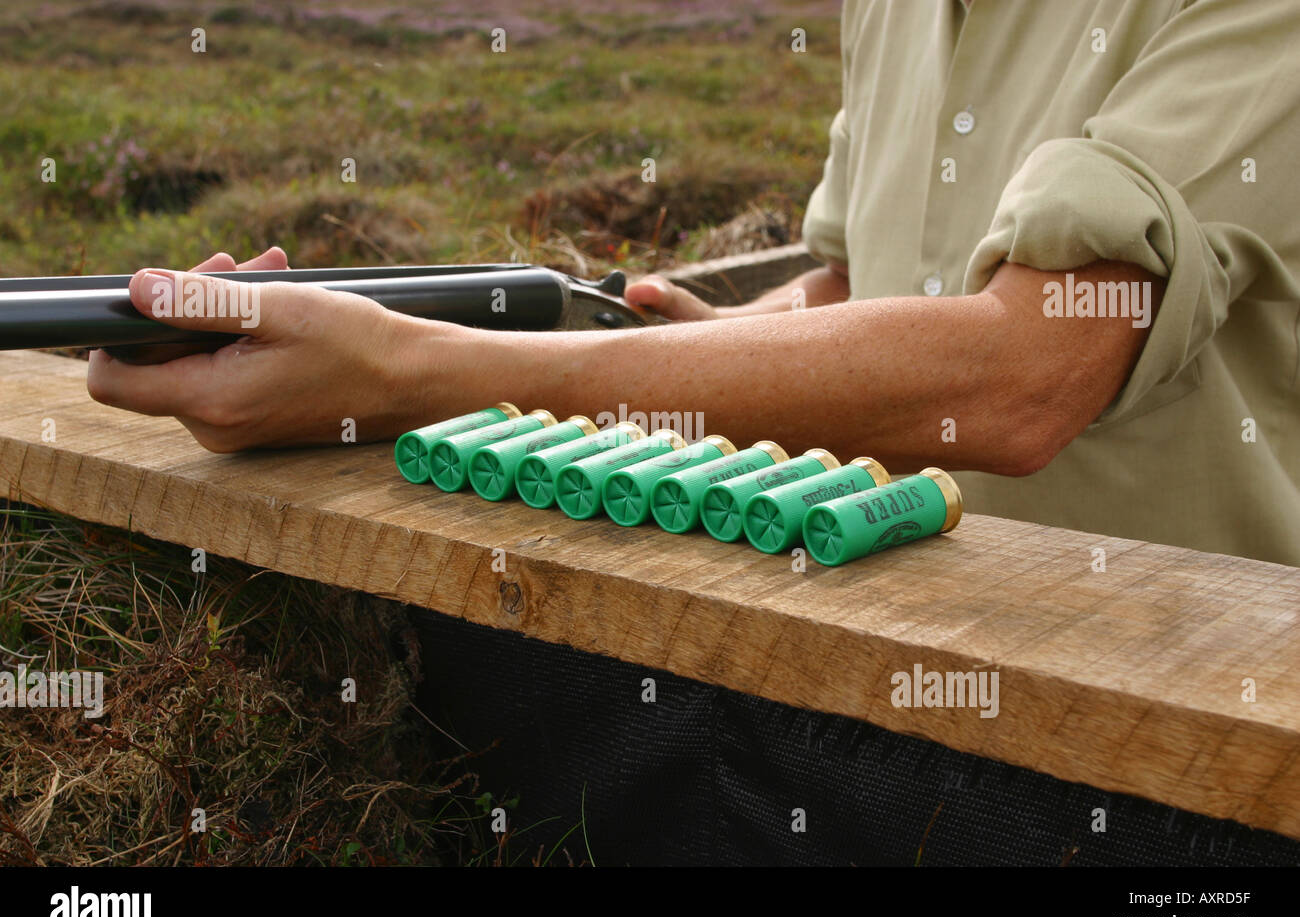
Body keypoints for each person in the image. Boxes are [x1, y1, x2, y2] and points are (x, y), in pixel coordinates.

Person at [86, 0, 1300, 564]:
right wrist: (732, 344)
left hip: (1187, 757)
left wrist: (406, 368)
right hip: (863, 640)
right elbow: (846, 277)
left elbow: (1024, 374)